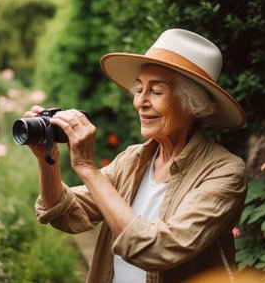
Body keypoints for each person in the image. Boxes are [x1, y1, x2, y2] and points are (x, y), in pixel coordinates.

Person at [24, 28, 247, 283]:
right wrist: (46, 159)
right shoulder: (133, 160)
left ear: (191, 103)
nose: (140, 102)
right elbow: (65, 213)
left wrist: (88, 167)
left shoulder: (225, 172)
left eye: (156, 91)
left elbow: (158, 250)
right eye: (139, 89)